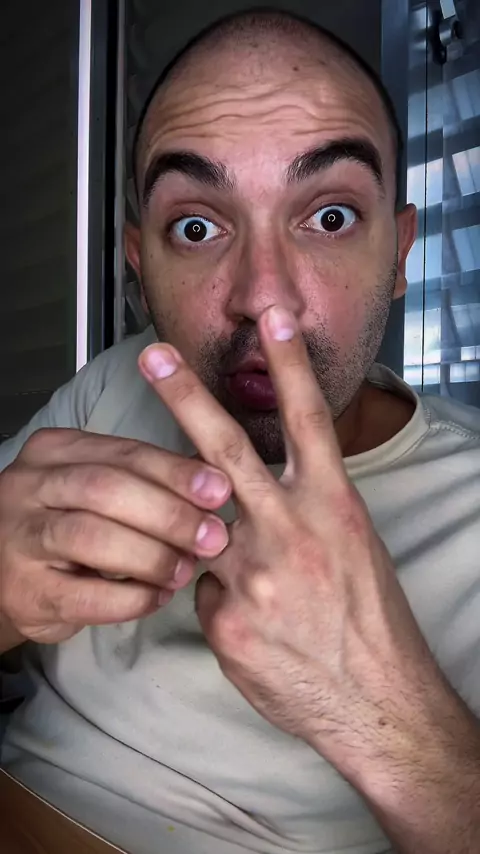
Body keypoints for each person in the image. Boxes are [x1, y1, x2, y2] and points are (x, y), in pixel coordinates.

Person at [1, 8, 479, 854]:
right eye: (197, 227)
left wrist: (381, 710)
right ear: (141, 265)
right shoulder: (116, 381)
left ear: (399, 256)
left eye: (330, 217)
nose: (263, 297)